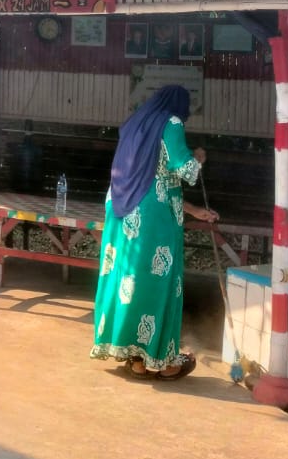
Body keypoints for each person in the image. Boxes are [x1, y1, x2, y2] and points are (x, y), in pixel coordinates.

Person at [92, 84, 218, 379]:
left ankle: (134, 357)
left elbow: (153, 178)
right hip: (152, 219)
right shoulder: (171, 123)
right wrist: (198, 158)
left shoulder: (134, 125)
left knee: (126, 280)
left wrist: (193, 210)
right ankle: (162, 360)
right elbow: (185, 170)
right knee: (155, 283)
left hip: (120, 210)